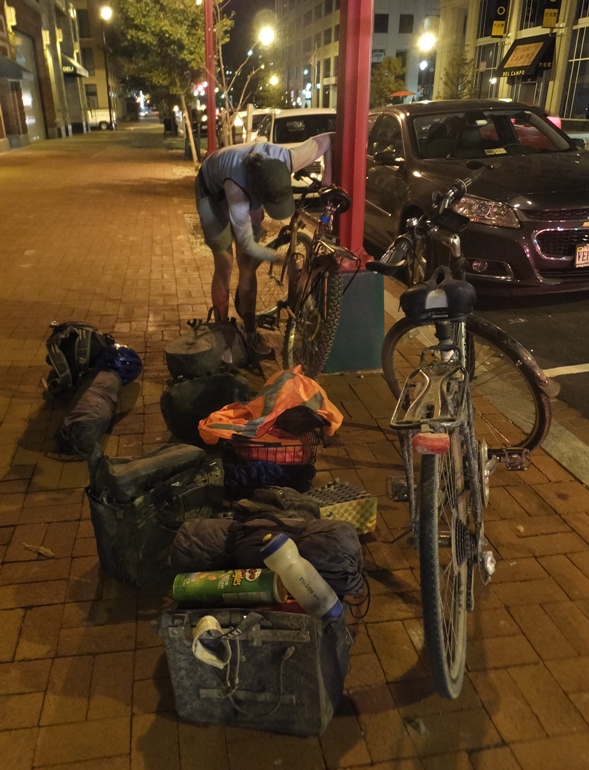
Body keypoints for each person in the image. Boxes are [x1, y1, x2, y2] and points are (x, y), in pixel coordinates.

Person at [195, 132, 334, 356]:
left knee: (247, 265)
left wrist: (327, 188)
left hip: (246, 184)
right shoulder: (237, 190)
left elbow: (329, 139)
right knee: (226, 264)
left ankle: (250, 332)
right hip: (210, 190)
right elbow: (248, 243)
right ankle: (222, 331)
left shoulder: (289, 157)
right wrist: (282, 259)